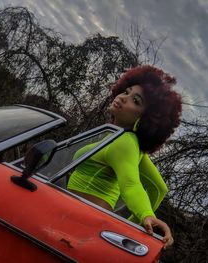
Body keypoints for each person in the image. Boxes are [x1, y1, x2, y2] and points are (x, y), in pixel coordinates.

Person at [67, 65, 182, 249]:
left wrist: (146, 216)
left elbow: (131, 184)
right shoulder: (124, 141)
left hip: (77, 222)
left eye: (135, 101)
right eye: (126, 92)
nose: (122, 98)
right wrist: (129, 227)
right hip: (84, 221)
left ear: (146, 119)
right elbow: (158, 189)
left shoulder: (125, 142)